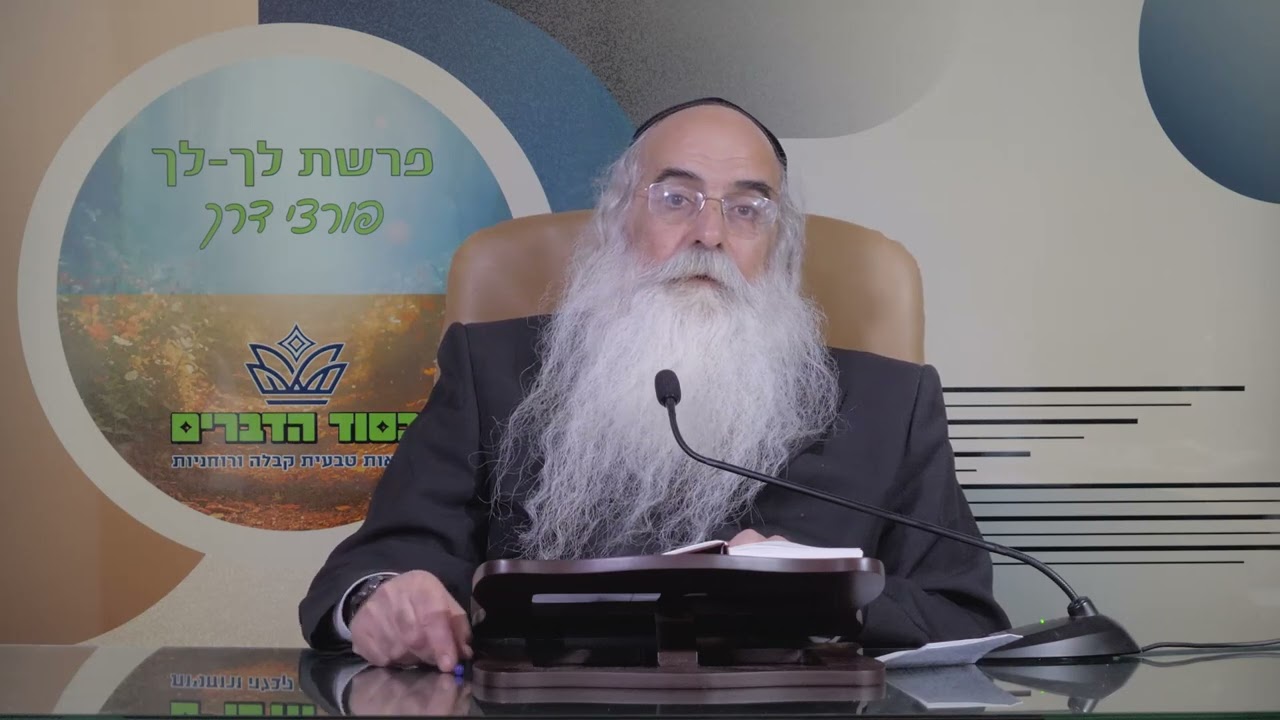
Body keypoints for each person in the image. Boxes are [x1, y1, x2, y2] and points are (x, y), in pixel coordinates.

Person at [299, 97, 1011, 670]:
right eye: (676, 198)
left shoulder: (891, 402)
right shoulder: (493, 367)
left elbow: (962, 613)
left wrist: (830, 599)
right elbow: (378, 562)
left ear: (780, 245)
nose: (710, 234)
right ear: (619, 220)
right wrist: (381, 598)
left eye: (747, 209)